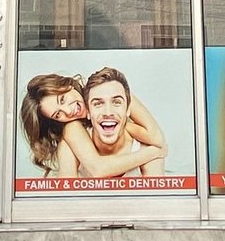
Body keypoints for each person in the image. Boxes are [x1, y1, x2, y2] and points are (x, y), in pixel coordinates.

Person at [19, 72, 167, 179]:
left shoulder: (112, 91)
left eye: (62, 99)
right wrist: (154, 152)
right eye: (58, 114)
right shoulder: (72, 128)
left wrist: (125, 126)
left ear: (68, 86)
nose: (68, 111)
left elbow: (157, 139)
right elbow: (97, 169)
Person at [81, 67, 164, 178]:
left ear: (128, 109)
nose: (108, 112)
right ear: (88, 111)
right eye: (98, 104)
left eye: (117, 102)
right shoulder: (75, 146)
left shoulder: (147, 150)